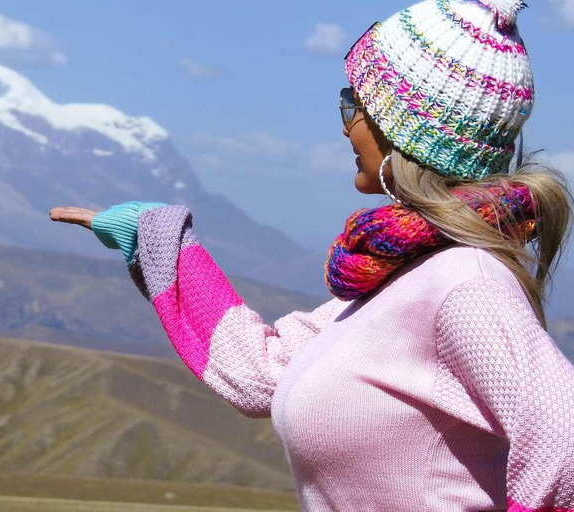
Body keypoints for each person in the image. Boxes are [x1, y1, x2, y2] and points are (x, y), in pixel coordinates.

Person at [49, 0, 574, 509]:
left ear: (405, 131)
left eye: (356, 104)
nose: (345, 124)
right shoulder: (405, 280)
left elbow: (564, 435)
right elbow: (259, 373)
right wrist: (154, 236)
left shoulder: (464, 281)